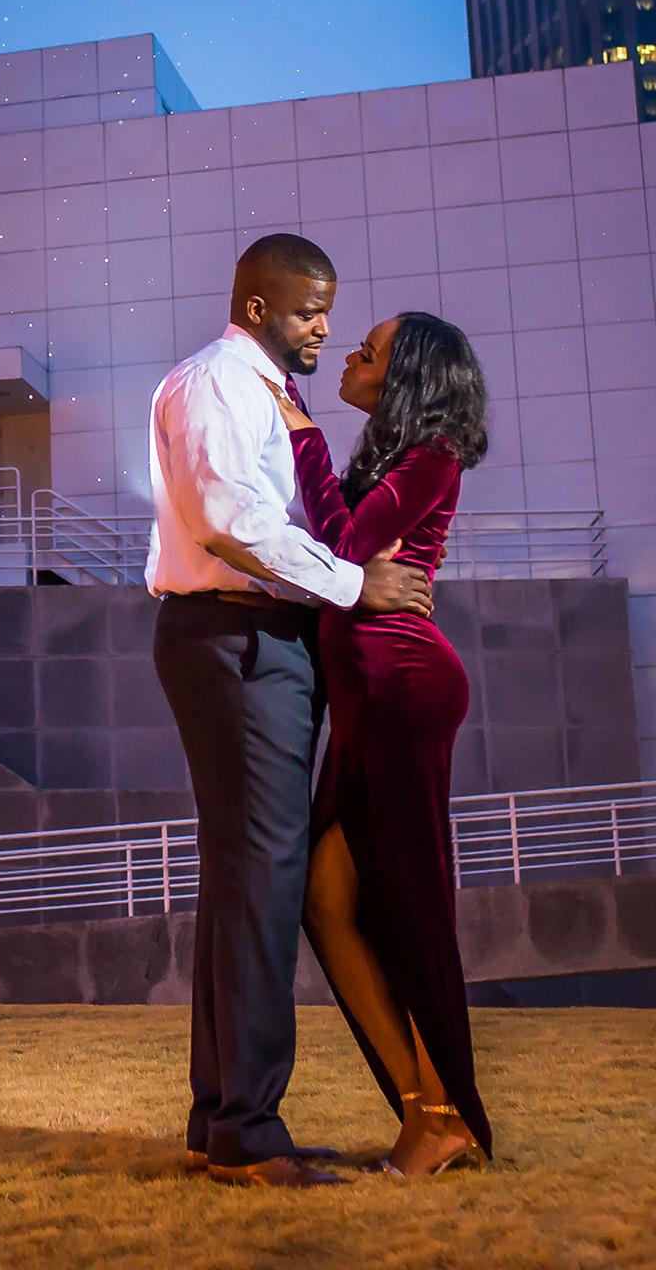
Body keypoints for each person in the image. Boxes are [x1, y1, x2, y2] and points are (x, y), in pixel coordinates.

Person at [146, 233, 435, 1190]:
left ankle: (223, 1122)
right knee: (264, 879)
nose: (325, 326)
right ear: (261, 307)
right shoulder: (216, 383)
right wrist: (355, 585)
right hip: (235, 639)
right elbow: (232, 523)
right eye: (311, 309)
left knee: (245, 880)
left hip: (263, 642)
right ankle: (246, 1128)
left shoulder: (269, 390)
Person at [273, 309, 494, 1178]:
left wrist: (304, 437)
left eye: (373, 347)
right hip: (367, 701)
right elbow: (343, 567)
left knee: (410, 908)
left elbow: (338, 546)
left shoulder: (431, 455)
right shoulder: (395, 460)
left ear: (410, 375)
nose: (355, 351)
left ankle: (448, 1118)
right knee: (325, 899)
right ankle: (423, 1111)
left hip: (404, 689)